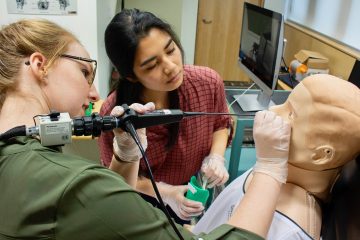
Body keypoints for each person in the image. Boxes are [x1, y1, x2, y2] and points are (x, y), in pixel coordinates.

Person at [0, 18, 292, 239]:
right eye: (85, 72)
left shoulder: (15, 158)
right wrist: (269, 169)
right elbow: (102, 198)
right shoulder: (73, 184)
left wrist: (127, 156)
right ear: (40, 64)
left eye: (171, 50)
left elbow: (221, 124)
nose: (92, 94)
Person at [99, 9, 232, 223]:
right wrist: (166, 192)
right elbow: (117, 178)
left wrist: (216, 157)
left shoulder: (207, 82)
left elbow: (221, 123)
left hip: (190, 192)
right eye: (152, 65)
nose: (171, 67)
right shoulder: (116, 114)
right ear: (130, 75)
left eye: (170, 50)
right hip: (142, 202)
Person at [192, 74, 360, 240]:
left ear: (322, 155)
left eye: (291, 113)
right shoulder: (274, 169)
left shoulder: (290, 232)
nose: (272, 110)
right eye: (285, 103)